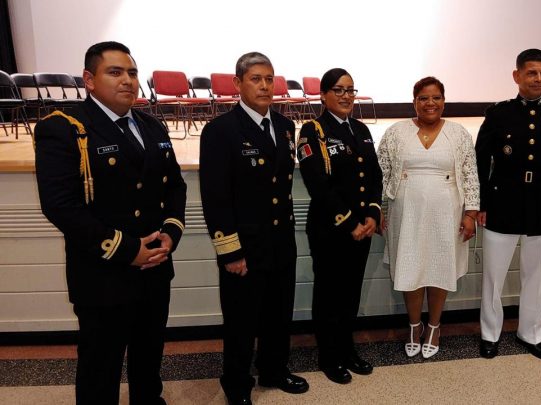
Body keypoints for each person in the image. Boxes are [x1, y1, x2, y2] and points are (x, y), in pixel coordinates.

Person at [34, 41, 187, 404]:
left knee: (148, 357)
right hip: (103, 271)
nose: (127, 81)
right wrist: (127, 250)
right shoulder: (66, 128)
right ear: (89, 79)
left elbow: (175, 186)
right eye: (115, 72)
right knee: (100, 365)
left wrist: (170, 233)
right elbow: (60, 206)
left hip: (154, 268)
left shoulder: (151, 126)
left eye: (132, 73)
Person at [199, 52, 308, 405]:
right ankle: (237, 384)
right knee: (242, 322)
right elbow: (216, 198)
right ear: (237, 84)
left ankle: (274, 369)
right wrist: (230, 251)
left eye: (269, 79)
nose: (264, 86)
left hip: (280, 241)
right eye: (256, 79)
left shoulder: (285, 126)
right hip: (244, 246)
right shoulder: (220, 131)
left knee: (279, 313)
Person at [475, 49, 541, 361]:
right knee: (494, 275)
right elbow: (480, 160)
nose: (539, 79)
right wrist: (479, 202)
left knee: (536, 275)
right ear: (516, 76)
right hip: (502, 201)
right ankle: (490, 334)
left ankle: (531, 334)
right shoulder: (498, 114)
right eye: (532, 73)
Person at [378, 77, 479, 359]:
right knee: (410, 268)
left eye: (436, 97)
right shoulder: (396, 132)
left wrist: (470, 213)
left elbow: (471, 175)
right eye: (423, 98)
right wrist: (380, 210)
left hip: (447, 213)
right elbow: (382, 173)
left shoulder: (458, 133)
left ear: (443, 101)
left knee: (438, 268)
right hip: (405, 213)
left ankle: (434, 326)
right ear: (415, 102)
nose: (430, 103)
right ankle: (414, 325)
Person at [296, 68, 383, 384]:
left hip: (363, 228)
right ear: (323, 95)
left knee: (350, 293)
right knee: (329, 294)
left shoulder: (361, 129)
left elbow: (374, 176)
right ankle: (329, 356)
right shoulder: (312, 131)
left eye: (350, 90)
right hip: (331, 230)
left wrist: (373, 214)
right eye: (338, 90)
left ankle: (347, 349)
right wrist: (349, 224)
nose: (346, 96)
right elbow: (318, 184)